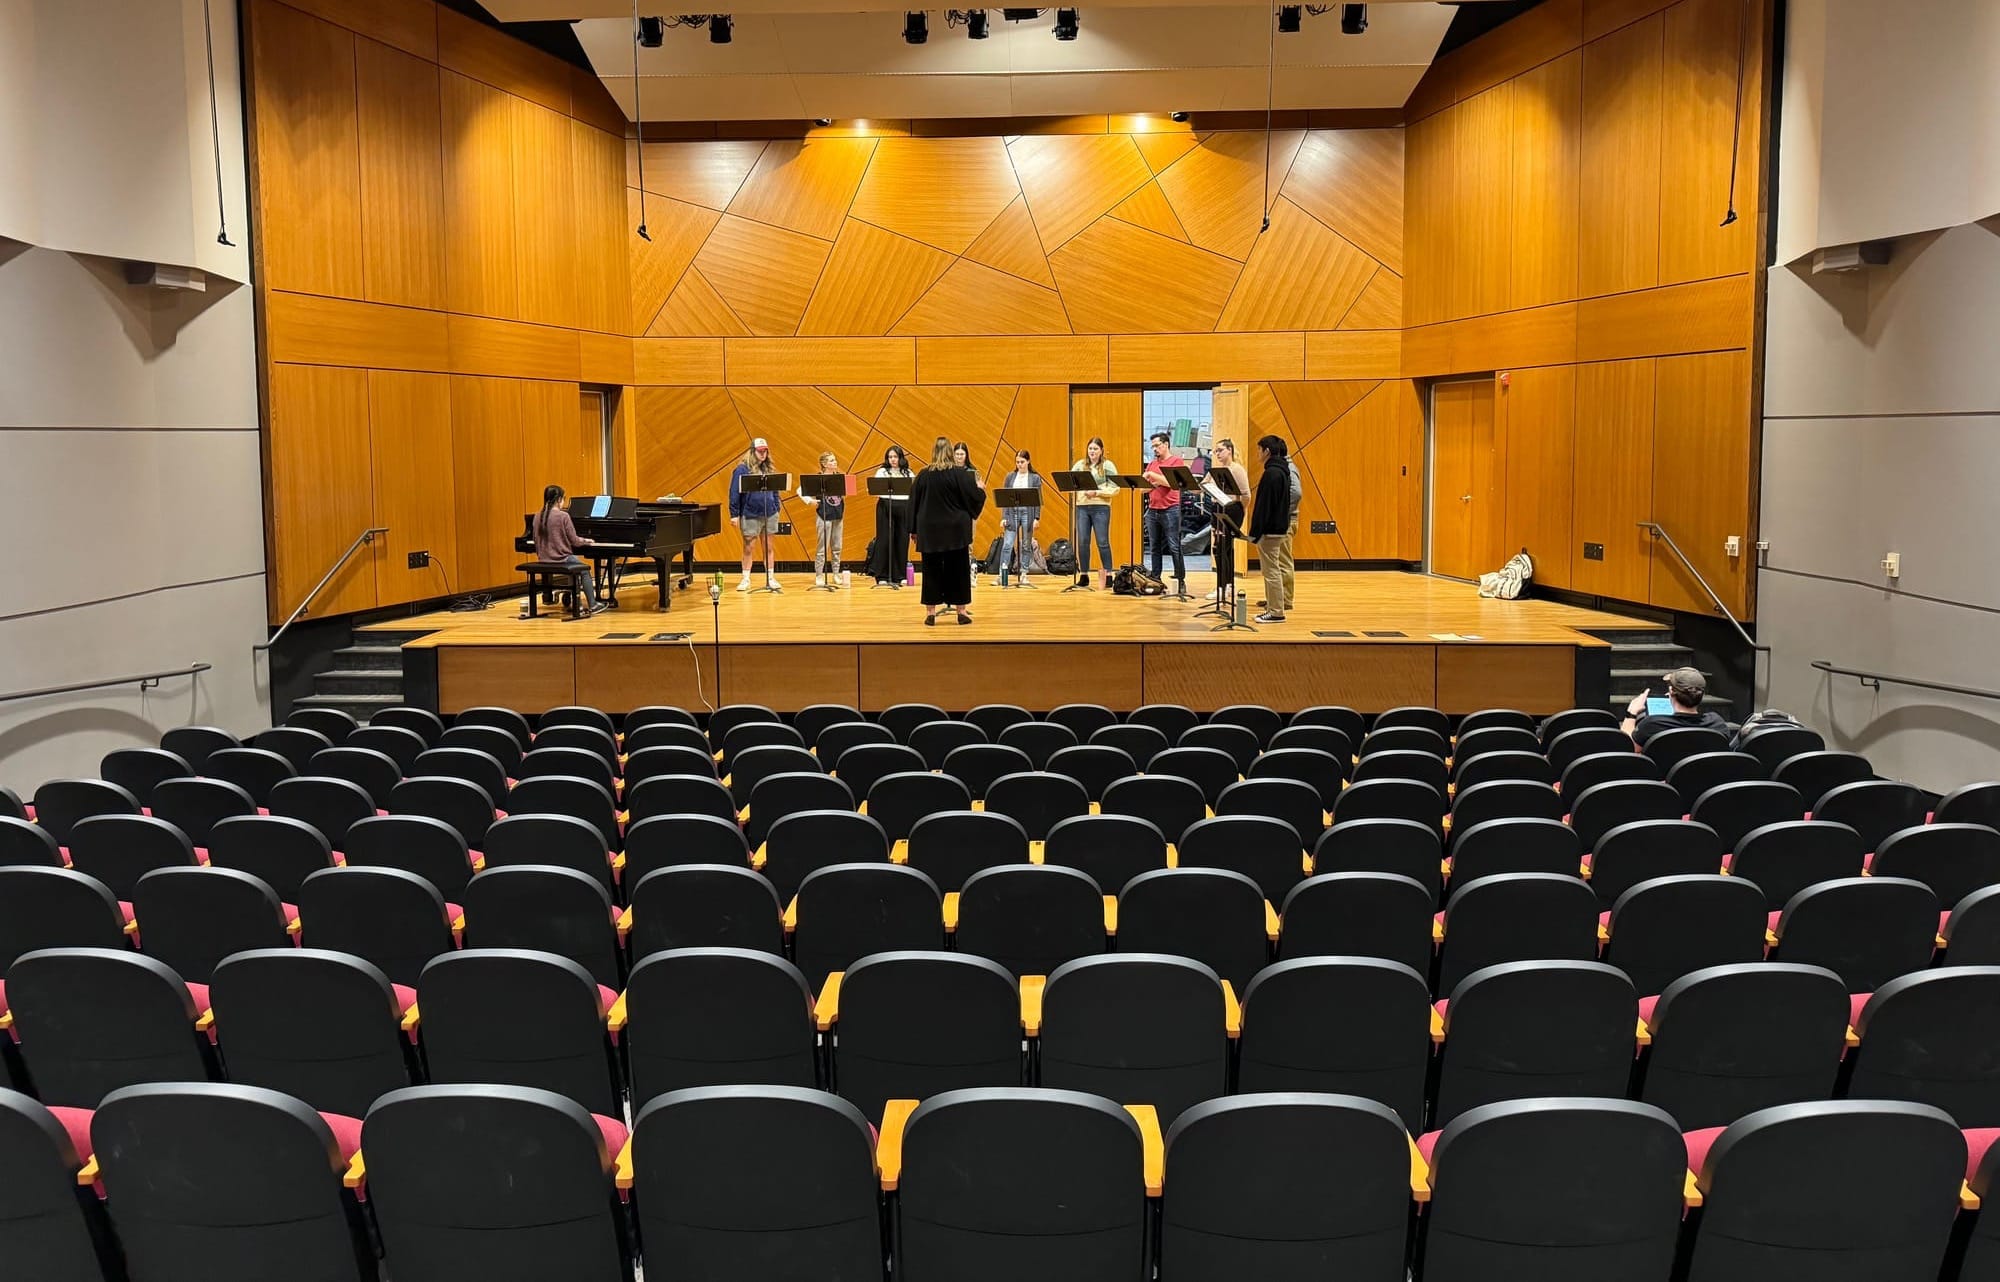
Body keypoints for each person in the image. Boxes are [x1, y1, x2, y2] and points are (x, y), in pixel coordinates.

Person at [911, 435, 985, 625]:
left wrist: (913, 530)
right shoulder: (960, 474)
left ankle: (931, 613)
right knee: (958, 570)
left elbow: (913, 504)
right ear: (951, 453)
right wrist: (981, 489)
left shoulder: (923, 475)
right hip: (956, 531)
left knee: (931, 570)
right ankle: (961, 611)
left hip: (930, 531)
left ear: (934, 452)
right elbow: (974, 497)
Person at [532, 484, 605, 615]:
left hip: (543, 558)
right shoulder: (563, 516)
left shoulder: (537, 516)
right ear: (559, 499)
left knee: (575, 564)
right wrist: (586, 540)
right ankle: (593, 605)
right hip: (561, 558)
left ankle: (577, 605)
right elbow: (575, 541)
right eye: (563, 499)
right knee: (584, 570)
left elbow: (536, 540)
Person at [1247, 436, 1293, 624]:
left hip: (1270, 530)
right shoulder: (1282, 470)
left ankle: (1276, 611)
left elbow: (1263, 507)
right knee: (1271, 569)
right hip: (1278, 527)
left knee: (1271, 570)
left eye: (1259, 450)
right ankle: (1273, 605)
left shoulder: (1271, 473)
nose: (1258, 453)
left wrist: (1255, 533)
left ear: (1267, 451)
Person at [1623, 667, 1733, 745]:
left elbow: (1627, 748)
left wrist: (1631, 714)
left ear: (1671, 691)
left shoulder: (1654, 724)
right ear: (1702, 695)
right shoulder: (1717, 724)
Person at [1199, 437, 1250, 602]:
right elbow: (1203, 485)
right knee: (1218, 549)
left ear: (1230, 450)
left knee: (1224, 549)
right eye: (1215, 451)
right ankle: (1224, 585)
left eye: (1220, 450)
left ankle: (1224, 586)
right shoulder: (1216, 471)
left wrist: (1240, 509)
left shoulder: (1237, 469)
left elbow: (1246, 495)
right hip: (1217, 509)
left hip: (1231, 509)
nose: (1217, 454)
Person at [728, 438, 782, 591]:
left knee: (769, 547)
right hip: (750, 513)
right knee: (748, 547)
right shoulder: (742, 469)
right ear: (752, 451)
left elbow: (776, 490)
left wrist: (776, 506)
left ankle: (770, 578)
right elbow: (734, 493)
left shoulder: (768, 469)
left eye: (765, 451)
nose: (763, 454)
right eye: (760, 451)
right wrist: (734, 514)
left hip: (770, 513)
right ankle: (745, 579)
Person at [1140, 431, 1188, 593]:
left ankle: (1180, 580)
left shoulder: (1176, 461)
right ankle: (1155, 579)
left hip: (1170, 509)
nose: (1154, 449)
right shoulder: (1152, 463)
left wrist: (1153, 477)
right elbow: (1144, 488)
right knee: (1154, 547)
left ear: (1166, 444)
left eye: (1157, 446)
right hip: (1153, 510)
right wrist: (1146, 484)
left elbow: (1173, 483)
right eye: (1152, 446)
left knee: (1174, 546)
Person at [1070, 436, 1118, 590]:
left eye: (1095, 449)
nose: (1092, 451)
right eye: (1090, 448)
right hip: (1082, 506)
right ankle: (1084, 574)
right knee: (1083, 541)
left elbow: (1115, 487)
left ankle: (1109, 574)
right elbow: (1071, 480)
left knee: (1102, 541)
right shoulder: (1080, 464)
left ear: (1101, 450)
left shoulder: (1108, 465)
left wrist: (1097, 492)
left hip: (1100, 507)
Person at [867, 444, 915, 587]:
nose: (893, 460)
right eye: (890, 457)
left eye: (895, 456)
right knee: (885, 540)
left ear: (901, 458)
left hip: (903, 507)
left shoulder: (908, 473)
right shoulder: (882, 472)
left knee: (901, 541)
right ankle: (882, 575)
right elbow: (875, 489)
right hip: (885, 506)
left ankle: (899, 576)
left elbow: (914, 492)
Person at [995, 449, 1041, 586]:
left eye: (1022, 462)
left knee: (1026, 545)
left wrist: (1036, 518)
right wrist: (1004, 517)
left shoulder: (1035, 478)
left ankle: (1024, 574)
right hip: (1012, 513)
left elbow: (1037, 500)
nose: (1019, 464)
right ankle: (1001, 574)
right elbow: (1005, 499)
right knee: (1007, 544)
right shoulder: (1010, 477)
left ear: (1028, 461)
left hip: (1028, 512)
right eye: (1017, 462)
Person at [799, 451, 845, 587]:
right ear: (824, 464)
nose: (835, 462)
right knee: (822, 548)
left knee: (837, 546)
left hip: (838, 515)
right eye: (831, 460)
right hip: (824, 516)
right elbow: (799, 490)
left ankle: (836, 573)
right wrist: (810, 501)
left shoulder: (839, 478)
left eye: (835, 460)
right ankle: (819, 574)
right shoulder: (817, 478)